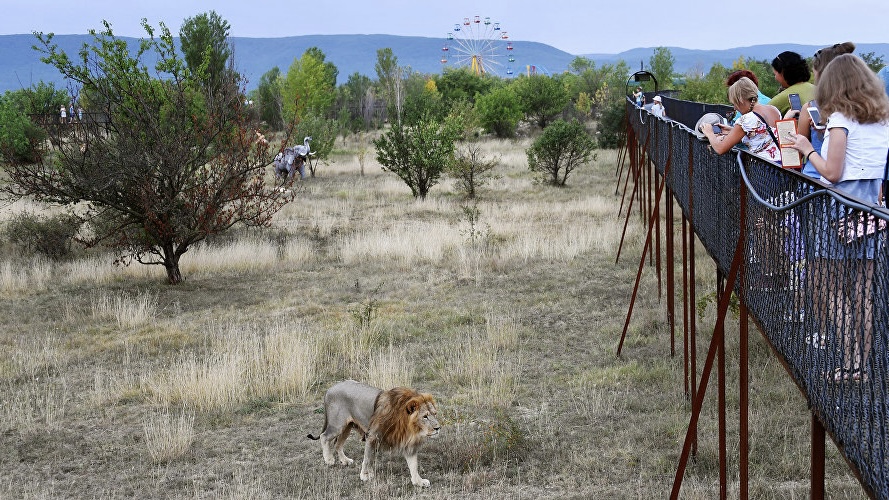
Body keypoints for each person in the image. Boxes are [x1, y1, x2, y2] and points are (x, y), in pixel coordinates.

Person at [785, 54, 889, 383]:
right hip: (870, 210)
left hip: (839, 212)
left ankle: (850, 362)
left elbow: (831, 171)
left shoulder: (841, 118)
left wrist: (806, 146)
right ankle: (861, 365)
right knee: (862, 291)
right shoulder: (880, 119)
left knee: (829, 287)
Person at [795, 42, 856, 178]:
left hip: (815, 178)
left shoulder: (810, 107)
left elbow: (799, 151)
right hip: (851, 182)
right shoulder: (862, 108)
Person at [698, 77, 781, 162]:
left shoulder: (746, 120)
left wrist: (710, 133)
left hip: (764, 170)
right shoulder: (773, 110)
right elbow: (762, 134)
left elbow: (720, 149)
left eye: (735, 103)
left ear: (740, 100)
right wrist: (732, 131)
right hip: (781, 167)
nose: (735, 108)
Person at [768, 51, 815, 115]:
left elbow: (763, 115)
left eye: (775, 74)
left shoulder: (784, 97)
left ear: (782, 72)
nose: (775, 78)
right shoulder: (817, 89)